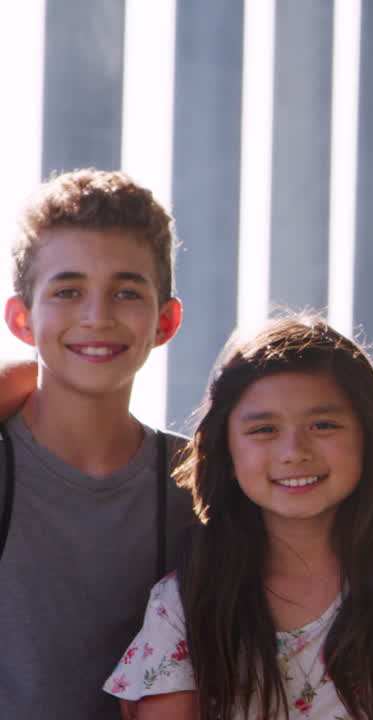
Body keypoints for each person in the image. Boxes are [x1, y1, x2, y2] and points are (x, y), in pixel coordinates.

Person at [104, 315, 373, 719]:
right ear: (226, 450)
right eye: (264, 430)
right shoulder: (186, 601)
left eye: (323, 424)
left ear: (369, 434)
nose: (294, 450)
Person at [0, 169, 188, 719]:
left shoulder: (202, 486)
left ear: (165, 320)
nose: (97, 316)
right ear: (21, 318)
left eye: (127, 291)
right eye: (68, 290)